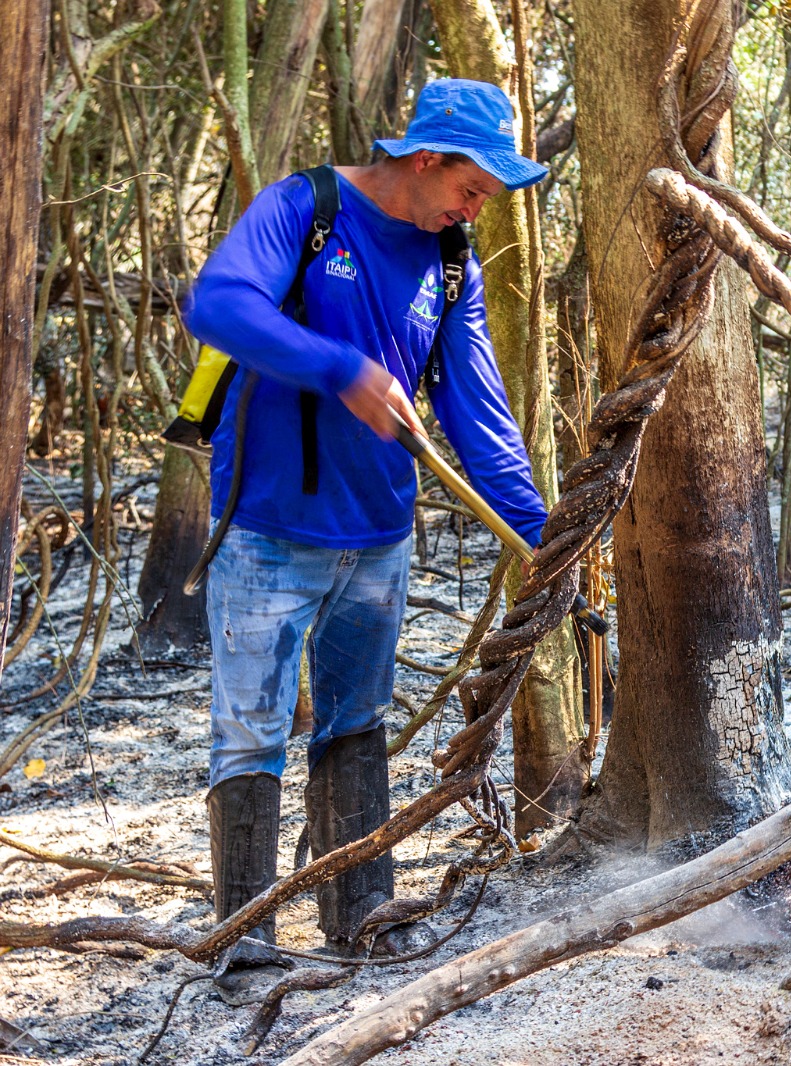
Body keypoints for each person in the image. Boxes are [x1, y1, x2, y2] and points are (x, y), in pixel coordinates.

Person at [183, 79, 548, 1003]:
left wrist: (544, 540)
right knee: (251, 732)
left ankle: (361, 917)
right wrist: (339, 367)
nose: (479, 208)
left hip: (379, 540)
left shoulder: (453, 259)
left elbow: (479, 415)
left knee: (357, 724)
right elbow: (219, 304)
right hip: (266, 533)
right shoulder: (307, 208)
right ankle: (243, 939)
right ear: (426, 159)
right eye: (473, 188)